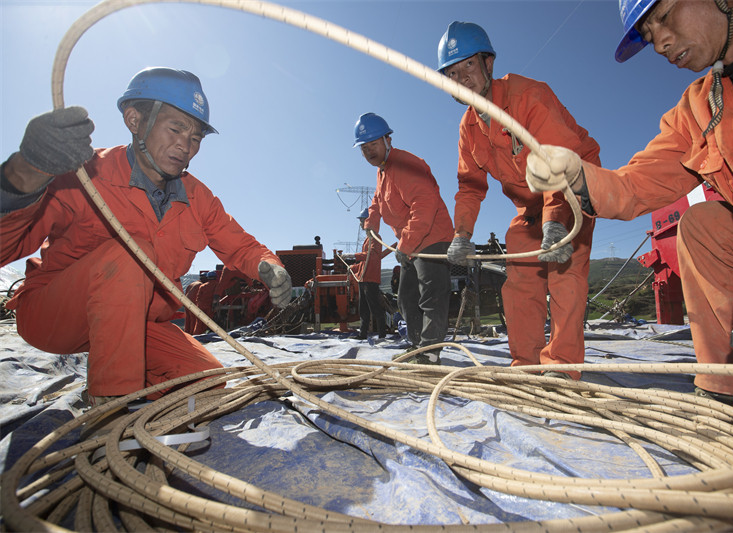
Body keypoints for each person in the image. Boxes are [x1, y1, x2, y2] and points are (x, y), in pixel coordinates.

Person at [525, 0, 733, 452]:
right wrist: (576, 176)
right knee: (704, 225)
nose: (660, 42)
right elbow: (637, 184)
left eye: (665, 17)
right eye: (649, 33)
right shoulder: (701, 105)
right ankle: (725, 389)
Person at [0, 67, 292, 406]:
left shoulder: (199, 198)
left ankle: (120, 379)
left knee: (205, 382)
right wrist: (25, 174)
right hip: (53, 316)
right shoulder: (83, 175)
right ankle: (110, 405)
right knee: (131, 255)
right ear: (134, 120)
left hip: (135, 324)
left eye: (195, 137)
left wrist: (268, 265)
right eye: (176, 128)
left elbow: (239, 243)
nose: (185, 146)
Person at [437, 21, 600, 380]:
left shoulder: (528, 96)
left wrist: (556, 219)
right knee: (519, 281)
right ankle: (525, 366)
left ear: (488, 64)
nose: (461, 76)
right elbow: (469, 186)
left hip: (574, 190)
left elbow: (562, 159)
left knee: (565, 274)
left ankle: (562, 367)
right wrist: (461, 235)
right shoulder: (468, 128)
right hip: (529, 207)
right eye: (452, 71)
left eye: (468, 65)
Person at [354, 112, 454, 364]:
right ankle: (418, 346)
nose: (369, 152)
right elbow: (377, 201)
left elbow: (424, 204)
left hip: (431, 237)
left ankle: (430, 353)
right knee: (407, 298)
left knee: (431, 296)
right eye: (364, 148)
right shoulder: (383, 171)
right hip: (410, 242)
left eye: (373, 145)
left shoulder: (405, 165)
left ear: (388, 140)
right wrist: (370, 224)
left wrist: (406, 243)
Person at [342, 208, 393, 340]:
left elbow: (372, 256)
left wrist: (354, 255)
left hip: (370, 279)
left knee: (375, 307)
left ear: (368, 221)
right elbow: (366, 262)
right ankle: (362, 334)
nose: (360, 223)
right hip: (364, 278)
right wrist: (353, 267)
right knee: (363, 309)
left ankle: (382, 334)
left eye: (362, 220)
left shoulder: (375, 238)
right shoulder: (368, 239)